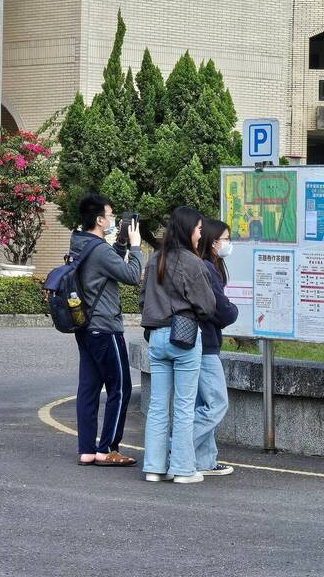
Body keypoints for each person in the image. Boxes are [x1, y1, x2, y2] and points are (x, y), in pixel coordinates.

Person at [140, 207, 216, 484]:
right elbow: (207, 305)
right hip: (183, 337)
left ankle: (154, 467)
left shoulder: (155, 259)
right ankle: (183, 469)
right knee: (184, 407)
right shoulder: (191, 262)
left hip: (157, 337)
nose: (200, 234)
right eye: (198, 229)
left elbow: (142, 299)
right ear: (188, 231)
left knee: (158, 406)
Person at [72, 193, 143, 467]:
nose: (114, 220)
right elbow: (131, 276)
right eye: (111, 216)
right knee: (122, 387)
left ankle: (87, 450)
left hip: (86, 326)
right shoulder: (99, 250)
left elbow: (107, 266)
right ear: (100, 220)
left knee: (88, 389)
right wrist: (135, 247)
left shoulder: (81, 244)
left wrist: (121, 244)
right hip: (105, 327)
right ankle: (108, 448)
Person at [194, 218, 239, 476]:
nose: (228, 244)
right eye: (225, 239)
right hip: (205, 345)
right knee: (217, 404)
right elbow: (220, 309)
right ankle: (174, 446)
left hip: (204, 343)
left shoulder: (210, 267)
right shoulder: (207, 269)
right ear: (213, 243)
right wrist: (233, 310)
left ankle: (205, 460)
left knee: (203, 403)